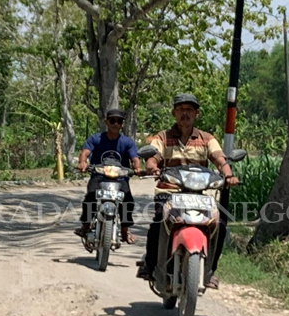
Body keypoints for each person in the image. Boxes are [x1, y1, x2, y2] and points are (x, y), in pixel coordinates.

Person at [138, 93, 239, 289]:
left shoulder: (207, 139)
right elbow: (152, 157)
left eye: (190, 110)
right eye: (181, 109)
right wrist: (152, 167)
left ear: (196, 114)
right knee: (159, 221)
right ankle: (150, 264)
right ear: (174, 113)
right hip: (170, 192)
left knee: (220, 225)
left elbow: (220, 159)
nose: (185, 114)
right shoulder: (162, 137)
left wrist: (228, 175)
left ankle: (209, 271)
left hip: (200, 195)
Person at [75, 109, 142, 244]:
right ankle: (86, 225)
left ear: (122, 124)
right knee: (90, 197)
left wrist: (137, 168)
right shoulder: (96, 138)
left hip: (120, 178)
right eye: (112, 120)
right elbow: (85, 153)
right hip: (99, 176)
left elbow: (134, 158)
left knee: (127, 201)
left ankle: (124, 229)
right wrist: (82, 162)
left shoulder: (127, 142)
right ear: (106, 122)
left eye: (119, 121)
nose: (115, 124)